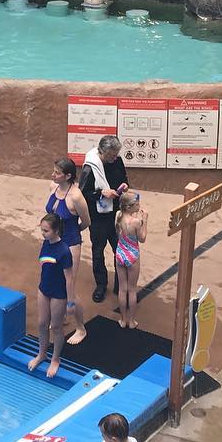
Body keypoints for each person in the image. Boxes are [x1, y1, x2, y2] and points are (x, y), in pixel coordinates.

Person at [80, 136, 129, 303]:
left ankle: (120, 285)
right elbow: (83, 194)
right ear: (103, 152)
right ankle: (101, 284)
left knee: (120, 251)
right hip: (98, 217)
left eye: (116, 154)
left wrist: (124, 186)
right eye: (112, 155)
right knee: (98, 251)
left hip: (115, 214)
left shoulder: (117, 161)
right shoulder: (90, 167)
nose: (115, 158)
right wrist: (101, 193)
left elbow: (124, 178)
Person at [46, 158, 89, 344]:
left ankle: (81, 328)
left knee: (69, 286)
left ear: (68, 176)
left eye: (57, 172)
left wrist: (73, 233)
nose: (53, 175)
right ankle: (61, 315)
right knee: (55, 281)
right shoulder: (52, 187)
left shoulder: (76, 196)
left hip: (70, 243)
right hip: (53, 242)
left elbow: (86, 221)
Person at [28, 213, 74, 378]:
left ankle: (55, 358)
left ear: (56, 231)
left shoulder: (64, 251)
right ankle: (42, 353)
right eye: (42, 230)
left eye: (46, 231)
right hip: (44, 289)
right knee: (41, 323)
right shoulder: (45, 244)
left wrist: (70, 302)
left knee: (56, 327)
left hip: (58, 294)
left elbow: (69, 279)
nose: (43, 233)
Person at [114, 192, 147, 330]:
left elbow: (118, 233)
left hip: (120, 253)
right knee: (132, 290)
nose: (139, 206)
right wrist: (145, 220)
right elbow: (142, 238)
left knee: (122, 289)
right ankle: (131, 321)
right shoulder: (136, 222)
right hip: (132, 254)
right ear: (129, 207)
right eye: (137, 204)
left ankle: (122, 319)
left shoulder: (118, 216)